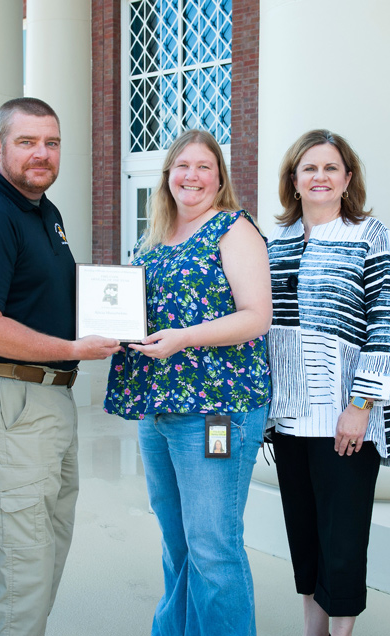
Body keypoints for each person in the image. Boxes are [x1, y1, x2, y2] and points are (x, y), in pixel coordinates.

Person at [0, 97, 121, 636]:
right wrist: (76, 350)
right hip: (12, 402)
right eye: (27, 142)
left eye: (51, 142)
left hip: (47, 402)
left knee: (45, 553)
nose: (41, 153)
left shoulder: (44, 211)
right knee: (20, 572)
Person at [104, 129, 272, 636]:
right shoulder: (152, 237)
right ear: (167, 175)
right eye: (182, 166)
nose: (192, 176)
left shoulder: (233, 229)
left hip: (217, 413)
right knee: (177, 543)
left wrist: (185, 338)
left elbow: (257, 316)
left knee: (213, 546)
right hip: (158, 410)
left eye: (203, 166)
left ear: (219, 177)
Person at [265, 130, 390, 636]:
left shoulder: (370, 234)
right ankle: (312, 630)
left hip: (345, 417)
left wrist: (361, 404)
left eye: (330, 168)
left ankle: (341, 633)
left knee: (342, 537)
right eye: (309, 169)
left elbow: (385, 324)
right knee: (304, 533)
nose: (319, 177)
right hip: (288, 417)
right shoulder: (273, 241)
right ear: (294, 181)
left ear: (347, 178)